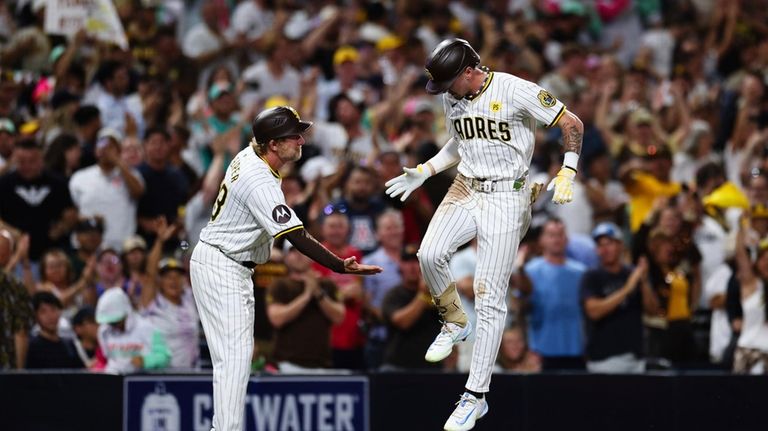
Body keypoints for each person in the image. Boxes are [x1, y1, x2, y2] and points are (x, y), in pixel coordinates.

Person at [385, 38, 583, 431]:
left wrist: (568, 169)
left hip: (508, 196)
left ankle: (475, 396)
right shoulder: (453, 95)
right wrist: (425, 170)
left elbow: (571, 122)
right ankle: (455, 321)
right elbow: (459, 142)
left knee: (489, 294)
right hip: (466, 185)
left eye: (447, 83)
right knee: (428, 254)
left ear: (468, 72)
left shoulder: (514, 89)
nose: (443, 92)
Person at [189, 105, 382, 431]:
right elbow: (295, 235)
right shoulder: (259, 179)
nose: (301, 141)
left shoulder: (250, 155)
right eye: (293, 136)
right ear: (273, 144)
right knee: (235, 359)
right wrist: (337, 265)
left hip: (220, 260)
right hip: (223, 265)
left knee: (231, 358)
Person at [581, 222, 658, 373]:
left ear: (621, 246)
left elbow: (653, 310)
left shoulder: (632, 273)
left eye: (609, 243)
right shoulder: (591, 276)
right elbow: (593, 312)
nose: (605, 249)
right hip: (604, 359)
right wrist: (627, 289)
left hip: (636, 358)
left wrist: (644, 282)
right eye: (600, 245)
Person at [267, 245, 344, 373]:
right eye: (293, 251)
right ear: (285, 258)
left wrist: (318, 293)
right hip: (286, 364)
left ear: (313, 257)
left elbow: (339, 317)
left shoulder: (327, 284)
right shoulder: (279, 285)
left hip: (321, 364)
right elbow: (276, 319)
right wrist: (307, 295)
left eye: (303, 250)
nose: (299, 254)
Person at [380, 243, 442, 371]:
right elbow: (403, 322)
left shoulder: (439, 294)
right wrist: (423, 295)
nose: (413, 267)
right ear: (400, 265)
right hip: (398, 366)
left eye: (417, 261)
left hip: (432, 367)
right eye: (407, 262)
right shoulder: (393, 295)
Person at [95, 287, 171, 374]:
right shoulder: (104, 331)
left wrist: (145, 361)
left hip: (142, 380)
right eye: (110, 323)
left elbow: (165, 356)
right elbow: (107, 358)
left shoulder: (148, 328)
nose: (113, 326)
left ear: (126, 313)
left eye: (116, 322)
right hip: (114, 380)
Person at [25, 292, 81, 368]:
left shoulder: (69, 345)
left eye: (53, 309)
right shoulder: (32, 347)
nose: (50, 316)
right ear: (36, 316)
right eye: (43, 312)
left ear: (60, 312)